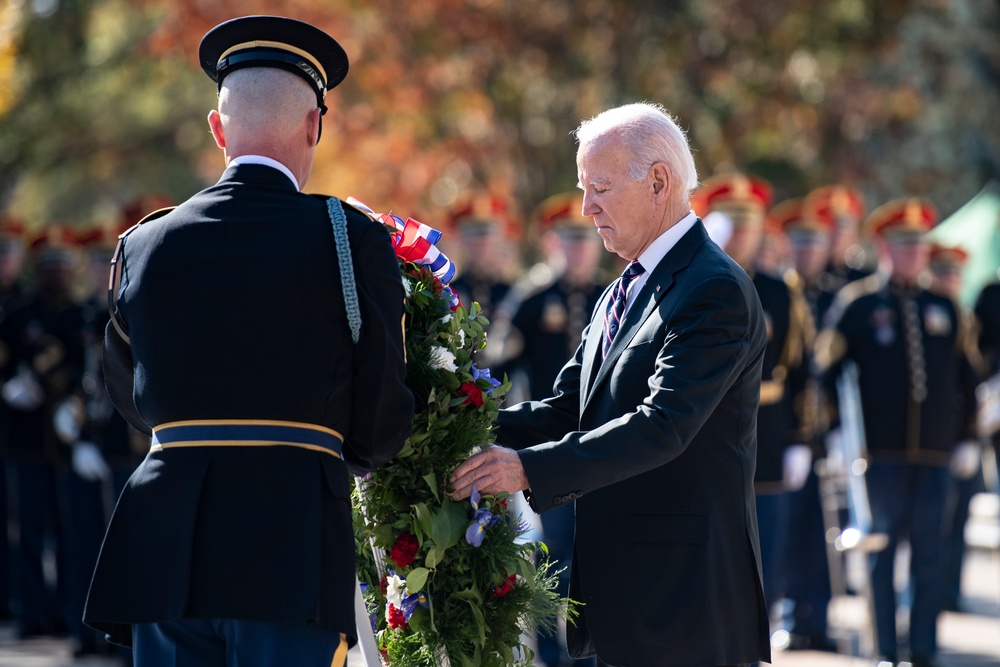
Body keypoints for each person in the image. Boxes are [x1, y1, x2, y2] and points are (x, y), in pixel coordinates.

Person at [82, 15, 414, 667]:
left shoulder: (143, 242)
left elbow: (127, 392)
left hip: (166, 541)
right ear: (315, 125)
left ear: (217, 129)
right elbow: (380, 412)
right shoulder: (350, 237)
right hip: (290, 542)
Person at [449, 102, 771, 667]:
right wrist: (451, 420)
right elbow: (568, 408)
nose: (585, 206)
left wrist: (526, 469)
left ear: (658, 182)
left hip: (686, 603)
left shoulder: (712, 288)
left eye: (598, 186)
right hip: (632, 596)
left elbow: (663, 425)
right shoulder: (625, 286)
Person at [814, 198, 981, 667]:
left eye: (919, 246)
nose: (912, 254)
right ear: (884, 248)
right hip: (879, 457)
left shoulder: (946, 307)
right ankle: (885, 647)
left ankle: (923, 648)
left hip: (936, 455)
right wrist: (831, 433)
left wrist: (969, 437)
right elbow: (825, 370)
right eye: (903, 246)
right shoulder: (860, 304)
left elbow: (967, 378)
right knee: (881, 554)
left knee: (930, 553)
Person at [484, 192, 607, 667]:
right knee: (552, 553)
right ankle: (555, 656)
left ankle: (591, 652)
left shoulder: (610, 296)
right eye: (569, 240)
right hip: (546, 451)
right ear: (554, 243)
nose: (579, 249)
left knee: (594, 552)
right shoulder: (532, 299)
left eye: (585, 240)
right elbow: (497, 368)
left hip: (603, 448)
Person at [696, 178, 813, 626]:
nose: (743, 232)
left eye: (750, 223)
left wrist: (803, 437)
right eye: (733, 222)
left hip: (768, 431)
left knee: (768, 561)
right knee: (714, 559)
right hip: (708, 432)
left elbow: (801, 369)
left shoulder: (782, 290)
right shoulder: (697, 284)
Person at [0, 226, 87, 640]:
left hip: (66, 441)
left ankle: (70, 615)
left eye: (62, 265)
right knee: (29, 532)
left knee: (69, 533)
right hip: (26, 439)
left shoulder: (79, 315)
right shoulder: (19, 314)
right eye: (48, 265)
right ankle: (32, 611)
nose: (56, 272)